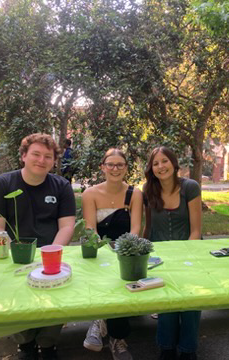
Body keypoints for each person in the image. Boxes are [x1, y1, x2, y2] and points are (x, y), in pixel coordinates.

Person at [0, 133, 76, 360]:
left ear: (54, 161)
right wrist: (16, 255)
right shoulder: (1, 184)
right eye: (35, 154)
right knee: (14, 297)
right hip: (12, 255)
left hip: (50, 254)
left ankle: (48, 344)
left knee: (55, 296)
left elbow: (67, 226)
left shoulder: (62, 186)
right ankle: (25, 344)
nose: (41, 160)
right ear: (24, 156)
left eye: (48, 156)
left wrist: (51, 255)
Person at [81, 148, 143, 360]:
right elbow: (90, 229)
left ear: (126, 168)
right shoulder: (90, 194)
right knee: (104, 276)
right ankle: (102, 322)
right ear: (102, 167)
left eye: (120, 165)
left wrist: (123, 251)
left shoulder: (135, 194)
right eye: (110, 165)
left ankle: (114, 335)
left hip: (126, 250)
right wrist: (104, 250)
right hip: (100, 250)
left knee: (122, 279)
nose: (115, 169)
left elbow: (136, 229)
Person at [142, 146, 202, 360]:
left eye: (164, 161)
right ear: (151, 168)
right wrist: (143, 254)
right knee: (166, 301)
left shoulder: (190, 187)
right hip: (160, 257)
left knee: (191, 302)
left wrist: (185, 257)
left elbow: (196, 230)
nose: (160, 166)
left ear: (174, 164)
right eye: (155, 163)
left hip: (190, 252)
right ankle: (166, 347)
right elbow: (148, 228)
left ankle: (188, 350)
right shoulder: (147, 190)